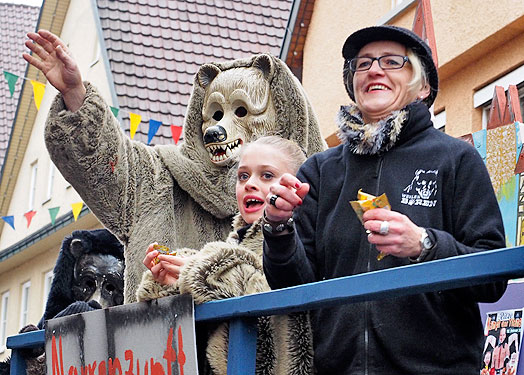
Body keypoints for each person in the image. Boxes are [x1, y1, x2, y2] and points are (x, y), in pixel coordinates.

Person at [262, 25, 507, 374]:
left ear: (422, 87)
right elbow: (292, 286)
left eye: (392, 61)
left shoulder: (456, 160)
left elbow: (493, 278)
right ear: (353, 83)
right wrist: (278, 227)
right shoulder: (319, 171)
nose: (374, 70)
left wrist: (424, 245)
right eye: (363, 64)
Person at [23, 30, 325, 303]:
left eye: (242, 111)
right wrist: (75, 94)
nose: (217, 129)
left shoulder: (316, 197)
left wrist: (197, 273)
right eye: (215, 114)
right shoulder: (158, 177)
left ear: (284, 117)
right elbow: (103, 162)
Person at [136, 136, 313, 375]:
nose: (250, 184)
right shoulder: (230, 247)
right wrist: (172, 283)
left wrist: (202, 271)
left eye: (267, 175)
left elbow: (266, 303)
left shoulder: (302, 242)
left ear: (296, 186)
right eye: (243, 176)